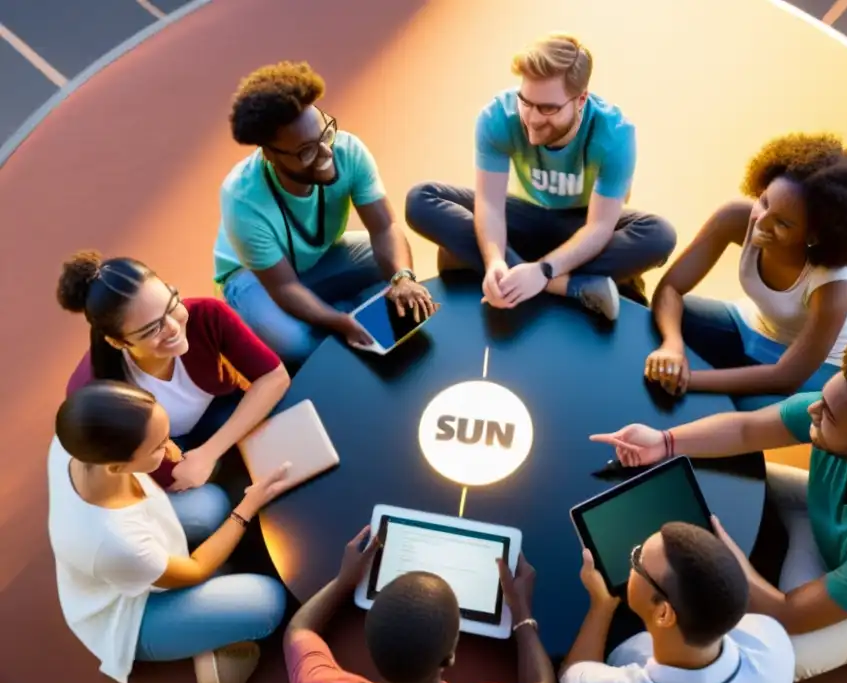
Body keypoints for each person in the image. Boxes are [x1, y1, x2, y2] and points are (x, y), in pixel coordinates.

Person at [592, 337, 847, 681]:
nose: (813, 408)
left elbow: (786, 613)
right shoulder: (840, 414)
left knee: (769, 659)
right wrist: (664, 442)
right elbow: (746, 431)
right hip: (819, 514)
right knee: (713, 473)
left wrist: (727, 554)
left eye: (828, 414)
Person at [405, 33, 677, 321]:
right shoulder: (497, 116)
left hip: (580, 224)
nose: (532, 119)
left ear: (581, 99)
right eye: (526, 102)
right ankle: (567, 286)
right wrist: (495, 260)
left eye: (548, 108)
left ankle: (538, 276)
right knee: (421, 198)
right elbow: (490, 204)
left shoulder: (615, 134)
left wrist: (542, 271)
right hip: (523, 219)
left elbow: (598, 227)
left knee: (660, 234)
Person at [49, 381, 289, 683]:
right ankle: (205, 650)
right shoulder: (115, 542)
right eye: (159, 446)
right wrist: (248, 506)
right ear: (118, 466)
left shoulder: (73, 442)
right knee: (268, 601)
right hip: (131, 614)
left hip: (137, 553)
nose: (171, 448)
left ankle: (207, 616)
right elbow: (196, 568)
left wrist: (162, 448)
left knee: (212, 503)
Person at [646, 133, 847, 411]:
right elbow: (671, 289)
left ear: (814, 235)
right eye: (764, 202)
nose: (761, 222)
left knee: (747, 408)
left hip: (814, 367)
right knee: (670, 320)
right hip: (753, 328)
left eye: (783, 223)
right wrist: (672, 346)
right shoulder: (736, 217)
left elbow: (785, 378)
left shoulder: (837, 282)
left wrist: (688, 379)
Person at [213, 60, 437, 367]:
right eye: (307, 151)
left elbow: (384, 228)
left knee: (401, 276)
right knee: (296, 346)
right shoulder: (241, 198)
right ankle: (324, 315)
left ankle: (328, 312)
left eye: (325, 133)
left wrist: (402, 277)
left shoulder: (348, 150)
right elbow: (284, 286)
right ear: (270, 155)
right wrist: (340, 321)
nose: (326, 154)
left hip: (319, 256)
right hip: (255, 277)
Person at [285, 527, 556, 683]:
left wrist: (344, 580)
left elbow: (298, 631)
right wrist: (521, 613)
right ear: (450, 656)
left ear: (370, 646)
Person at [58, 251, 291, 505]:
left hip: (218, 412)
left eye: (171, 304)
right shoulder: (96, 393)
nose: (174, 327)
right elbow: (148, 467)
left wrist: (209, 452)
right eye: (152, 328)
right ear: (118, 341)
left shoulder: (207, 315)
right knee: (208, 506)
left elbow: (274, 377)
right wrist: (189, 466)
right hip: (161, 450)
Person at [560, 524, 796, 683]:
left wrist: (602, 605)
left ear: (663, 613)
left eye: (637, 559)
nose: (633, 560)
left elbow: (573, 673)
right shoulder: (771, 641)